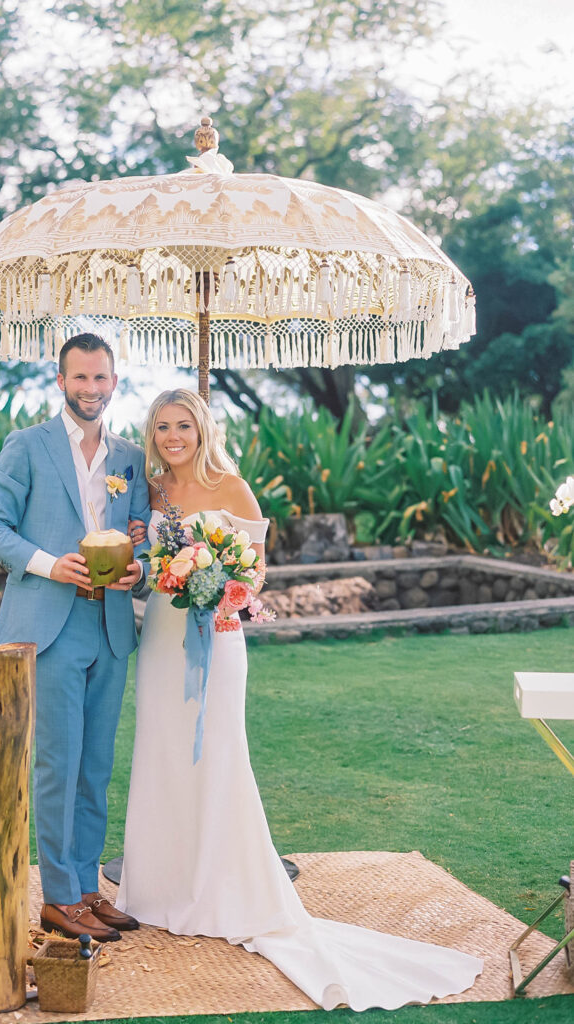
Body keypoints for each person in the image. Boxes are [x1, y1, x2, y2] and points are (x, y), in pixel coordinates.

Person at [117, 388, 483, 1011]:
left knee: (219, 754)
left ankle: (224, 886)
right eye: (161, 427)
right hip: (160, 638)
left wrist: (216, 586)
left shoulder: (233, 489)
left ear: (202, 429)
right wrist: (152, 564)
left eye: (182, 425)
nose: (171, 437)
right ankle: (155, 888)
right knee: (160, 753)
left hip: (219, 638)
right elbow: (148, 564)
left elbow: (255, 572)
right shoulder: (151, 494)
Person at [0, 333, 150, 943]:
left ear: (115, 383)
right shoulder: (27, 447)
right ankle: (57, 899)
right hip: (49, 628)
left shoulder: (131, 459)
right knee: (57, 764)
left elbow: (144, 538)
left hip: (110, 630)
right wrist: (52, 563)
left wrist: (141, 568)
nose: (91, 389)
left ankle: (85, 891)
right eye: (80, 378)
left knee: (95, 768)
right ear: (60, 381)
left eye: (101, 379)